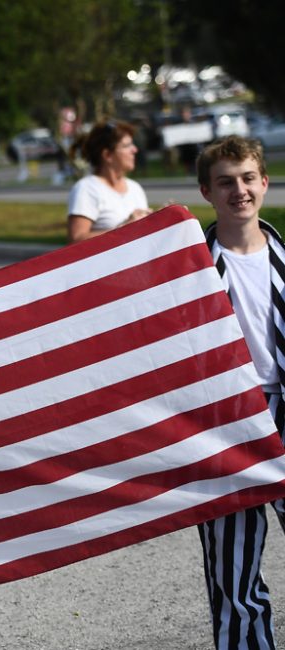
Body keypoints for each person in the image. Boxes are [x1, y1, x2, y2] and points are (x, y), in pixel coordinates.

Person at [195, 136, 285, 650]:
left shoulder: (283, 258)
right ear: (207, 191)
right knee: (235, 573)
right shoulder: (189, 272)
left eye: (248, 178)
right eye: (226, 182)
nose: (240, 191)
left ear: (264, 183)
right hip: (228, 426)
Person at [66, 120, 150, 243]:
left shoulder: (135, 188)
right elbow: (76, 240)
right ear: (107, 155)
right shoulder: (87, 188)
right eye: (126, 146)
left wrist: (162, 217)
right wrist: (124, 228)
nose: (135, 150)